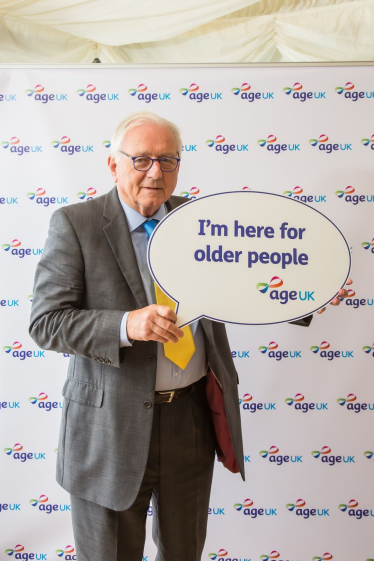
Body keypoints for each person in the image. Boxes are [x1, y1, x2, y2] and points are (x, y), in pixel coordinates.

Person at [29, 111, 351, 561]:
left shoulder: (202, 221)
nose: (155, 172)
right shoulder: (75, 224)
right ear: (113, 164)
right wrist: (126, 326)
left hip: (191, 421)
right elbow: (47, 322)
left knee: (184, 553)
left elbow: (249, 283)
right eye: (141, 159)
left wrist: (308, 296)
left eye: (168, 160)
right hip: (109, 431)